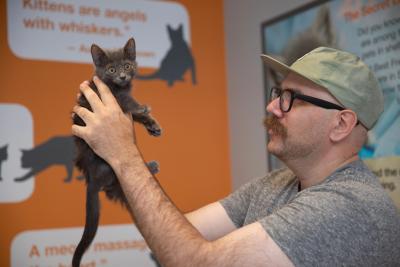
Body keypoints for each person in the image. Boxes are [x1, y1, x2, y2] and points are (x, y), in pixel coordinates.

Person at [72, 47, 400, 266]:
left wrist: (125, 157)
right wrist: (113, 157)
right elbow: (171, 238)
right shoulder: (276, 185)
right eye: (277, 93)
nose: (272, 107)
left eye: (292, 98)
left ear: (341, 124)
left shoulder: (349, 207)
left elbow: (191, 261)